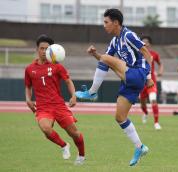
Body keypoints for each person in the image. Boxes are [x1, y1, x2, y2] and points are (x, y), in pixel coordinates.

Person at [76, 8, 154, 166]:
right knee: (120, 117)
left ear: (116, 23)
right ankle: (140, 147)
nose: (104, 25)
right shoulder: (114, 41)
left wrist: (148, 76)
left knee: (105, 59)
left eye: (106, 22)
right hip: (128, 79)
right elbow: (104, 60)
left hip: (137, 73)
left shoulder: (128, 35)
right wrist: (95, 54)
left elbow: (147, 53)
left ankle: (92, 93)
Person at [24, 34, 85, 165]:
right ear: (37, 49)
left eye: (47, 49)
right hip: (43, 107)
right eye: (42, 48)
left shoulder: (57, 66)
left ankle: (81, 155)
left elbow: (68, 81)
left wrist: (74, 95)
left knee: (74, 133)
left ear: (51, 50)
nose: (44, 51)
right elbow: (28, 86)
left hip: (58, 105)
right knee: (46, 129)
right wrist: (28, 99)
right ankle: (64, 146)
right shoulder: (29, 69)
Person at [139, 36, 163, 130]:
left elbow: (160, 64)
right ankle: (145, 113)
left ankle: (156, 123)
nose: (145, 43)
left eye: (147, 42)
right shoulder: (138, 54)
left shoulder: (154, 54)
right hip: (141, 82)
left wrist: (161, 71)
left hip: (151, 81)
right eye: (143, 42)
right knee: (143, 104)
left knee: (153, 100)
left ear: (150, 44)